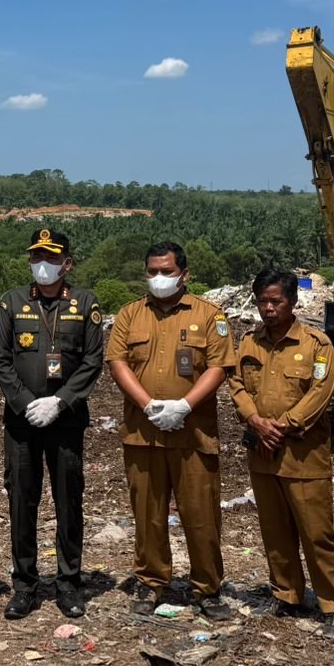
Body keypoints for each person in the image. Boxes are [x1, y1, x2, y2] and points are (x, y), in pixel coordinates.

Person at [106, 242, 235, 621]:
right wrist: (148, 404)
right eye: (153, 272)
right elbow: (117, 362)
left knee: (201, 514)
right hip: (142, 433)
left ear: (184, 274)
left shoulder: (209, 315)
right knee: (148, 514)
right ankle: (151, 582)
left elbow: (219, 366)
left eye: (167, 271)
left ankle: (207, 588)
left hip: (193, 435)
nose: (159, 278)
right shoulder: (130, 314)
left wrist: (184, 405)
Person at [228, 267, 334, 637]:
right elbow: (236, 385)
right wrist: (255, 420)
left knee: (316, 533)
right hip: (263, 454)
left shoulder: (316, 344)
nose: (268, 308)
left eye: (276, 301)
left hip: (303, 455)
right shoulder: (249, 343)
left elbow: (322, 391)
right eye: (262, 301)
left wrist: (282, 425)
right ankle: (287, 594)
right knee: (275, 530)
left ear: (293, 301)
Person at [0, 230, 105, 620]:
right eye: (37, 257)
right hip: (21, 423)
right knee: (21, 501)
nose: (43, 265)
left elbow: (92, 360)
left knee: (68, 501)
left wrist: (59, 402)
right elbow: (1, 360)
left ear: (67, 263)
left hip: (66, 420)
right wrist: (27, 403)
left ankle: (68, 583)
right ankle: (24, 585)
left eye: (52, 258)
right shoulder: (11, 302)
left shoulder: (85, 303)